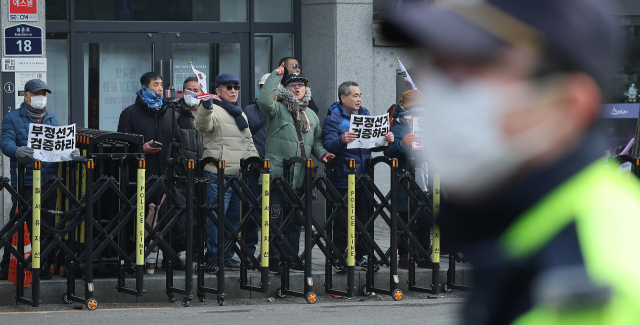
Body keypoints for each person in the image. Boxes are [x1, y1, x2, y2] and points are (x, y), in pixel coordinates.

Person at [383, 0, 640, 324]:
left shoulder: (589, 271)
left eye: (472, 70)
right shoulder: (523, 227)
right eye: (437, 66)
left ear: (567, 105)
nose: (440, 95)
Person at [257, 63, 335, 274]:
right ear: (286, 89)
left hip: (299, 176)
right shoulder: (277, 108)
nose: (298, 88)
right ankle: (272, 260)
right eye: (293, 85)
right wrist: (276, 75)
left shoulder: (311, 115)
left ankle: (290, 258)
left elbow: (316, 142)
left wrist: (322, 154)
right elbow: (263, 100)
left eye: (301, 85)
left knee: (295, 221)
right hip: (276, 174)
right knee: (275, 217)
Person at [0, 79, 79, 280]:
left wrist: (70, 152)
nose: (41, 98)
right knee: (19, 224)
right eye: (36, 94)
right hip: (25, 181)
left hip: (49, 181)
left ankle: (38, 264)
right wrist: (17, 150)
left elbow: (58, 147)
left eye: (44, 94)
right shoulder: (12, 118)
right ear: (26, 95)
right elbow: (6, 142)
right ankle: (7, 266)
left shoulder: (51, 119)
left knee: (45, 225)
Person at [321, 81, 393, 272]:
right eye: (355, 95)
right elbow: (328, 144)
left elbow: (372, 145)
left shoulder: (366, 115)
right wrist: (341, 140)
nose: (359, 99)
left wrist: (385, 141)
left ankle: (362, 256)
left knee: (364, 220)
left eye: (360, 95)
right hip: (342, 178)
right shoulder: (334, 118)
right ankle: (339, 258)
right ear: (343, 98)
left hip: (364, 178)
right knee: (343, 220)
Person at [195, 73, 259, 270]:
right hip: (217, 172)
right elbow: (202, 125)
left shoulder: (240, 113)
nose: (233, 91)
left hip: (237, 173)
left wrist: (256, 160)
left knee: (233, 219)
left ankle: (228, 255)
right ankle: (213, 256)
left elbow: (248, 140)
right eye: (228, 87)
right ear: (218, 91)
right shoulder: (212, 108)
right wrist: (205, 106)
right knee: (216, 217)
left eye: (236, 87)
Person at [117, 71, 181, 269]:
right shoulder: (130, 113)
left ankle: (157, 259)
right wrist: (141, 148)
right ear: (145, 87)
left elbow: (177, 141)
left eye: (162, 84)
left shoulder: (169, 112)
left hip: (165, 176)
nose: (160, 88)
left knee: (162, 218)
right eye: (155, 85)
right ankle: (135, 260)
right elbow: (121, 144)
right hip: (140, 176)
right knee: (139, 218)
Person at [384, 89, 432, 269]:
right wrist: (404, 142)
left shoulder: (430, 123)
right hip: (405, 179)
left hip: (426, 177)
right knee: (405, 217)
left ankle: (424, 253)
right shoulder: (398, 125)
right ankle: (404, 255)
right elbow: (389, 151)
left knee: (426, 216)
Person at [241, 73, 271, 256]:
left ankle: (270, 251)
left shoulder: (281, 109)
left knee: (273, 211)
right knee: (251, 209)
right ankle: (248, 250)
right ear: (258, 89)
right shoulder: (249, 110)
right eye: (262, 88)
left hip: (275, 167)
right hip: (254, 167)